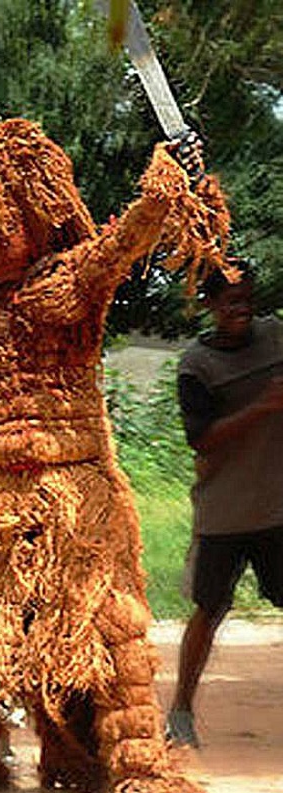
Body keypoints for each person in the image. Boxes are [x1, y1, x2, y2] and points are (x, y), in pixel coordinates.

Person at [0, 116, 231, 793]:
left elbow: (121, 246)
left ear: (37, 213)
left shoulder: (71, 284)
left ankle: (133, 768)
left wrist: (164, 187)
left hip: (79, 494)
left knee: (114, 632)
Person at [166, 261, 283, 748]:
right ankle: (180, 711)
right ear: (211, 306)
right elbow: (202, 440)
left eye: (247, 299)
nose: (242, 309)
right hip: (225, 511)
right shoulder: (197, 365)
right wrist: (260, 409)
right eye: (231, 301)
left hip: (278, 508)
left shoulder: (276, 337)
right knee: (208, 609)